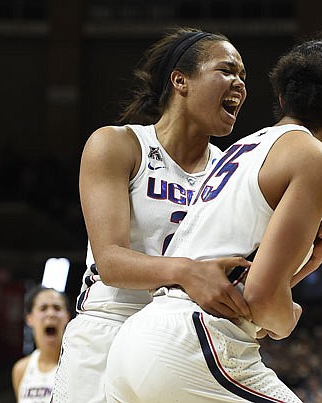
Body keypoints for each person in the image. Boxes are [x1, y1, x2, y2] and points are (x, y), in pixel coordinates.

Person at [105, 37, 322, 402]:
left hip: (135, 343)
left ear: (283, 100)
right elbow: (263, 299)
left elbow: (244, 282)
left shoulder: (237, 151)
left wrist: (316, 257)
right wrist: (288, 318)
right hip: (195, 343)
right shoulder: (321, 159)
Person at [51, 27, 252, 403]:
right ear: (181, 81)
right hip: (110, 325)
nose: (239, 84)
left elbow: (239, 271)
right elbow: (111, 262)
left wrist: (313, 246)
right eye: (227, 70)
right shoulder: (118, 144)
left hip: (183, 338)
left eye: (243, 76)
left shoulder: (234, 170)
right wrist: (188, 272)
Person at [11, 286, 70, 403]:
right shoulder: (21, 369)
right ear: (29, 318)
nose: (51, 314)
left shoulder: (76, 366)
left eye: (57, 308)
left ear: (67, 317)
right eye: (43, 308)